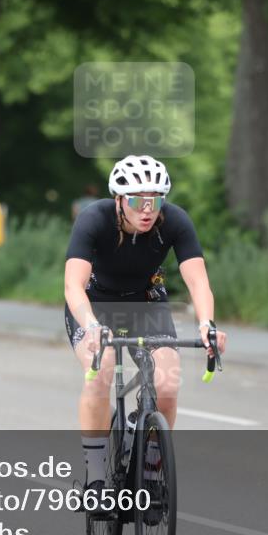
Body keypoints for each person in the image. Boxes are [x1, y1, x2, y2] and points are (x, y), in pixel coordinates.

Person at [64, 154, 227, 497]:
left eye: (155, 200)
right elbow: (73, 286)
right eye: (138, 201)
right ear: (119, 200)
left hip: (146, 304)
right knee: (102, 371)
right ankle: (96, 478)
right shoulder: (94, 218)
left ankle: (151, 472)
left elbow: (198, 282)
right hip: (95, 305)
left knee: (167, 386)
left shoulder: (175, 221)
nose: (147, 210)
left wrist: (206, 325)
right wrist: (91, 326)